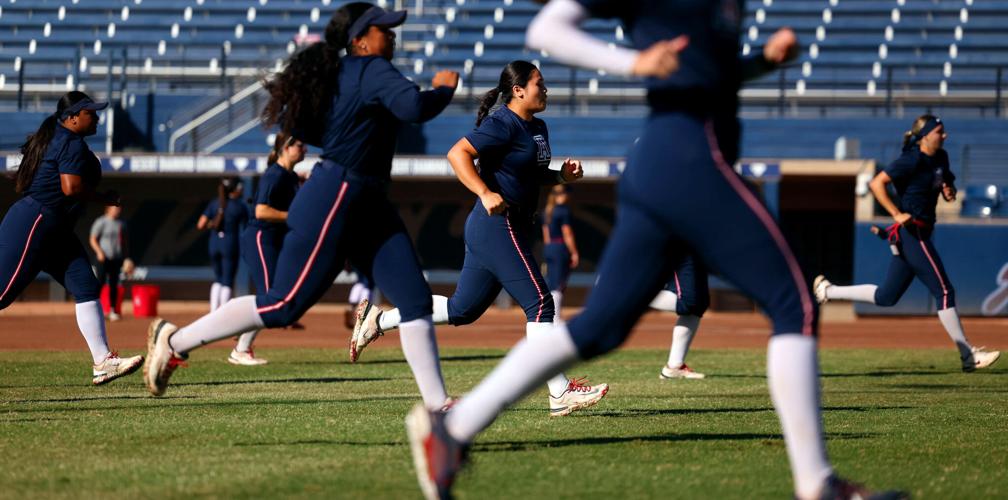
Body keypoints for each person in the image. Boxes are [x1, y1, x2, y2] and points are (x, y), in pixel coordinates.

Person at [405, 2, 905, 499]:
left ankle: (452, 430)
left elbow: (708, 78)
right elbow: (548, 26)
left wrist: (763, 63)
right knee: (794, 302)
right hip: (691, 160)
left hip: (666, 169)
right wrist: (633, 63)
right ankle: (817, 485)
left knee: (600, 327)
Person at [142, 3, 460, 410]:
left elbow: (306, 126)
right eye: (384, 29)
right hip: (339, 193)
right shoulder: (370, 68)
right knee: (282, 305)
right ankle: (175, 341)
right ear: (360, 40)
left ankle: (437, 404)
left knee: (414, 300)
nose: (392, 35)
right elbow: (415, 107)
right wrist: (444, 89)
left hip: (365, 199)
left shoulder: (344, 74)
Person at [350, 61, 608, 417]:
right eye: (539, 84)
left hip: (505, 226)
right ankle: (559, 390)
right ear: (518, 90)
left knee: (462, 310)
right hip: (495, 224)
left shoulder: (538, 127)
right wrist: (485, 192)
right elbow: (458, 154)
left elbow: (531, 175)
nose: (545, 90)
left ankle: (378, 321)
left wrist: (560, 175)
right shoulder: (502, 122)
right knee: (541, 304)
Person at [813, 115, 1000, 372]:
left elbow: (947, 183)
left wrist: (949, 192)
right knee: (944, 291)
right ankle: (968, 355)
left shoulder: (941, 158)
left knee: (886, 296)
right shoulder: (911, 160)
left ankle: (828, 291)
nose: (944, 136)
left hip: (920, 233)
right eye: (939, 132)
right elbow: (876, 183)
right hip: (912, 233)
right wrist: (895, 213)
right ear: (925, 136)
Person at [0, 91, 142, 385]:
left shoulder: (61, 138)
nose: (98, 117)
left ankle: (103, 362)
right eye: (91, 112)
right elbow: (70, 188)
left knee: (87, 286)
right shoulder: (70, 142)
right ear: (73, 117)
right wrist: (104, 197)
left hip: (55, 227)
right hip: (35, 222)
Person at [229, 131, 307, 366]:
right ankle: (240, 347)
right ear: (286, 148)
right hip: (261, 238)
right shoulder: (275, 175)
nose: (304, 149)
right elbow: (261, 211)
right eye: (300, 145)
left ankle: (240, 338)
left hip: (275, 239)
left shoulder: (290, 176)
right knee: (270, 297)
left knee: (274, 296)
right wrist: (292, 216)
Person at [648, 253, 709, 379]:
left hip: (699, 248)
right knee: (689, 302)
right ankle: (621, 293)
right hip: (682, 245)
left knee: (699, 304)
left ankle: (674, 366)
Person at [197, 177, 250, 313]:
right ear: (235, 189)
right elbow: (248, 226)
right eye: (240, 187)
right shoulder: (239, 206)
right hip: (229, 243)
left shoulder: (215, 203)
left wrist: (213, 224)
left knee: (218, 279)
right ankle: (222, 314)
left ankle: (213, 311)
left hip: (214, 243)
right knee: (227, 280)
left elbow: (201, 224)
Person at [89, 205, 134, 321]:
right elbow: (93, 239)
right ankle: (94, 310)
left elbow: (124, 243)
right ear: (108, 208)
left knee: (114, 285)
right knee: (100, 283)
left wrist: (126, 258)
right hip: (103, 258)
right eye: (115, 207)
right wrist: (99, 252)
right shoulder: (101, 221)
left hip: (116, 259)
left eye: (119, 208)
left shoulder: (121, 223)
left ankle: (113, 310)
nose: (118, 210)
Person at [541, 184, 577, 323]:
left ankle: (553, 316)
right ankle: (555, 318)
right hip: (560, 247)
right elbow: (567, 234)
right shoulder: (563, 211)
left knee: (552, 282)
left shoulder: (548, 211)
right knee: (559, 284)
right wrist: (573, 252)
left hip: (549, 247)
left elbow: (546, 236)